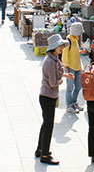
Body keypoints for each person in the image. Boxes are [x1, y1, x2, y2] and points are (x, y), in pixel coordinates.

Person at [36, 34, 74, 165]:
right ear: (54, 47)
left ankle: (40, 149)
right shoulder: (50, 62)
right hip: (48, 96)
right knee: (49, 125)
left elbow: (55, 74)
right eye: (60, 46)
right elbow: (53, 82)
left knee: (46, 124)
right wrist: (61, 80)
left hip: (48, 96)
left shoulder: (54, 59)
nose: (62, 48)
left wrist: (64, 74)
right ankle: (45, 155)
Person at [62, 22, 86, 114]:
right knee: (69, 87)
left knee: (78, 86)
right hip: (70, 68)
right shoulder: (68, 41)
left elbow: (74, 52)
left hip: (77, 67)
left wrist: (80, 51)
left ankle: (74, 102)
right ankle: (69, 105)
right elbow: (65, 57)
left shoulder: (75, 40)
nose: (80, 34)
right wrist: (67, 71)